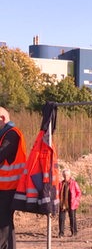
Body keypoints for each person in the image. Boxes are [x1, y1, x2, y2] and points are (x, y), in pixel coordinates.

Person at [0, 107, 27, 249]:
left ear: (2, 119)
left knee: (3, 222)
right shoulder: (6, 134)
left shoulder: (11, 134)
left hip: (8, 187)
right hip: (6, 186)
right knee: (5, 222)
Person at [58, 168, 82, 238]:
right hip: (63, 203)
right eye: (64, 175)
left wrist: (76, 200)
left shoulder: (74, 183)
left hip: (72, 203)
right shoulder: (61, 184)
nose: (66, 177)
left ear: (69, 175)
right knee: (61, 218)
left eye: (67, 175)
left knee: (72, 218)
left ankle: (74, 232)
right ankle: (61, 233)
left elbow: (79, 192)